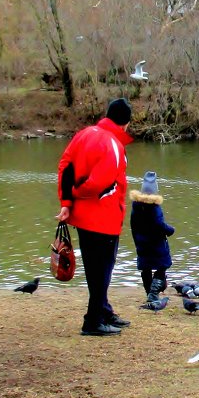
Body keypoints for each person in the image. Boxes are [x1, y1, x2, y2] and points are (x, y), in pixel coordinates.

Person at [56, 98, 135, 336]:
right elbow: (101, 182)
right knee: (102, 269)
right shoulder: (113, 144)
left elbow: (65, 167)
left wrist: (67, 202)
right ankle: (93, 321)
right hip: (104, 218)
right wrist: (79, 193)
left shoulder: (84, 134)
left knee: (94, 267)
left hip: (83, 216)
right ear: (126, 123)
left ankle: (103, 309)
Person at [130, 170, 175, 302]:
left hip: (141, 242)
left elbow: (133, 225)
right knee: (162, 266)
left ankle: (149, 293)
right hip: (156, 243)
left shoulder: (136, 205)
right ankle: (153, 294)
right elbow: (158, 224)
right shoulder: (154, 207)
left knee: (146, 268)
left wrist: (136, 240)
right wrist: (170, 230)